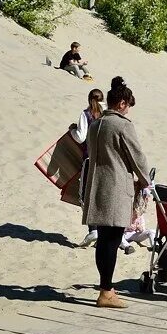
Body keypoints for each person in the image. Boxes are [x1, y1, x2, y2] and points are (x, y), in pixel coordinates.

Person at [83, 77, 150, 309]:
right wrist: (145, 181)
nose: (129, 110)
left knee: (103, 241)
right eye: (128, 105)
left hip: (96, 185)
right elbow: (137, 156)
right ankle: (106, 291)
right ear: (121, 103)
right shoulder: (122, 125)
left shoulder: (95, 124)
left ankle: (106, 287)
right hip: (116, 187)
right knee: (112, 241)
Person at [71, 88, 104, 249]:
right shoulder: (108, 115)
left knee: (85, 195)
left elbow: (80, 136)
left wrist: (72, 131)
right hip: (107, 162)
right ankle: (101, 231)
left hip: (90, 160)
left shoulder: (86, 114)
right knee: (101, 195)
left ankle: (93, 229)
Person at [120, 186, 154, 255]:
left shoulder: (140, 217)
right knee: (118, 237)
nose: (136, 215)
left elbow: (143, 230)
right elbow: (119, 227)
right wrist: (127, 227)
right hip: (125, 234)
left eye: (137, 213)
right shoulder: (126, 215)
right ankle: (127, 247)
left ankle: (154, 246)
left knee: (151, 231)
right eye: (134, 213)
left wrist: (140, 228)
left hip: (134, 234)